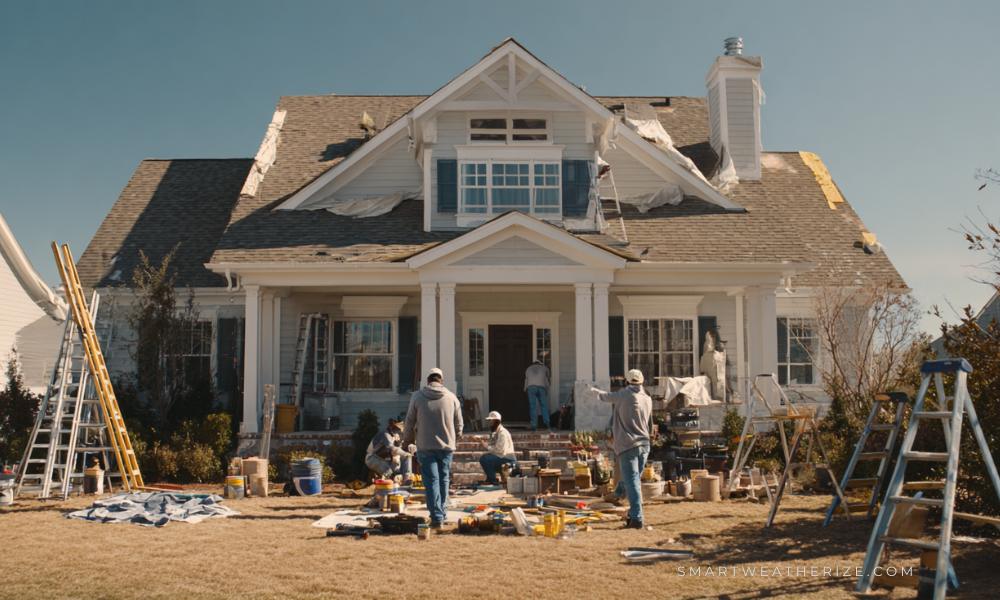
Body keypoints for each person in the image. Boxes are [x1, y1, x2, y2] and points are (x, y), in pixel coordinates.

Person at [590, 369, 652, 529]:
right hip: (644, 444)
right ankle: (620, 494)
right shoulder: (647, 398)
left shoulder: (625, 394)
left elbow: (605, 397)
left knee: (633, 482)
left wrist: (592, 391)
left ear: (627, 381)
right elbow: (650, 424)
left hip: (628, 444)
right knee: (633, 478)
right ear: (642, 381)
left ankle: (637, 518)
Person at [403, 367, 463, 529]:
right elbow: (459, 424)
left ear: (428, 380)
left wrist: (406, 440)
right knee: (444, 480)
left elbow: (409, 421)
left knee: (431, 481)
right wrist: (454, 439)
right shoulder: (452, 398)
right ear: (441, 380)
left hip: (425, 446)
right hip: (446, 447)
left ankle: (437, 517)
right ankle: (441, 513)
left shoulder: (417, 397)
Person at [364, 419, 414, 483]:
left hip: (384, 460)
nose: (400, 432)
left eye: (400, 430)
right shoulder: (385, 434)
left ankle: (407, 479)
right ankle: (389, 485)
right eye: (398, 430)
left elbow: (398, 452)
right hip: (371, 458)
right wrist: (405, 453)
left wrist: (410, 450)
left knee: (406, 458)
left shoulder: (395, 438)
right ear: (392, 428)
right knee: (389, 473)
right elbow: (393, 449)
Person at [478, 411, 517, 484]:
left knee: (485, 459)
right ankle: (491, 478)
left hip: (508, 460)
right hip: (503, 458)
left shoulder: (502, 433)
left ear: (495, 421)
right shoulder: (497, 432)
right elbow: (494, 446)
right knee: (487, 458)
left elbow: (500, 450)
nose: (489, 423)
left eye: (490, 421)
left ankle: (492, 480)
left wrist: (487, 447)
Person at [524, 359, 551, 431]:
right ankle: (547, 424)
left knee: (533, 406)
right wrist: (547, 388)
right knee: (544, 405)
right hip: (541, 387)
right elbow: (547, 377)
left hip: (531, 387)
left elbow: (526, 379)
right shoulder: (544, 367)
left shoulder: (528, 368)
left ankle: (533, 425)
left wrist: (525, 389)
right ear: (540, 363)